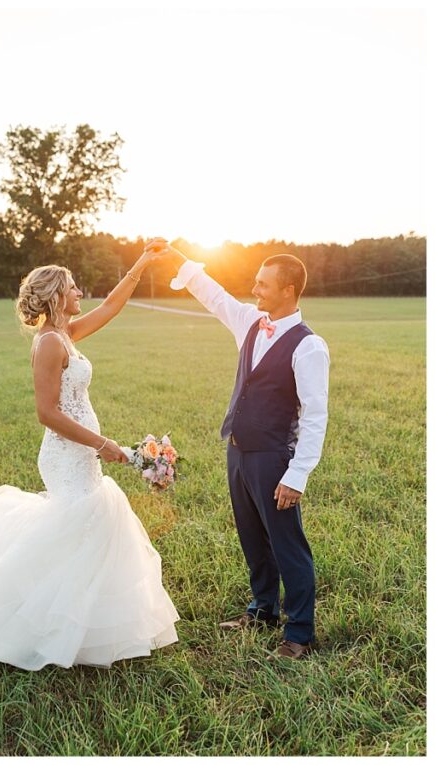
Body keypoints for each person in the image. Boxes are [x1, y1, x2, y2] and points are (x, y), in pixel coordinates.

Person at [0, 254, 180, 670]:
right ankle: (24, 620)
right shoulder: (48, 342)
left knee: (83, 529)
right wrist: (102, 443)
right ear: (58, 295)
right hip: (66, 455)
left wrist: (140, 265)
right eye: (74, 287)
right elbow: (47, 413)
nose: (81, 292)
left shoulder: (66, 335)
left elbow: (110, 308)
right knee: (75, 525)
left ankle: (79, 623)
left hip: (83, 452)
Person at [152, 239, 329, 660]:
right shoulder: (251, 322)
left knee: (288, 545)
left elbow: (315, 416)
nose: (255, 290)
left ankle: (299, 633)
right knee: (252, 537)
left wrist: (297, 474)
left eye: (264, 284)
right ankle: (263, 609)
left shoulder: (309, 346)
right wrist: (176, 257)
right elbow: (214, 295)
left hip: (274, 458)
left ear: (288, 290)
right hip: (238, 451)